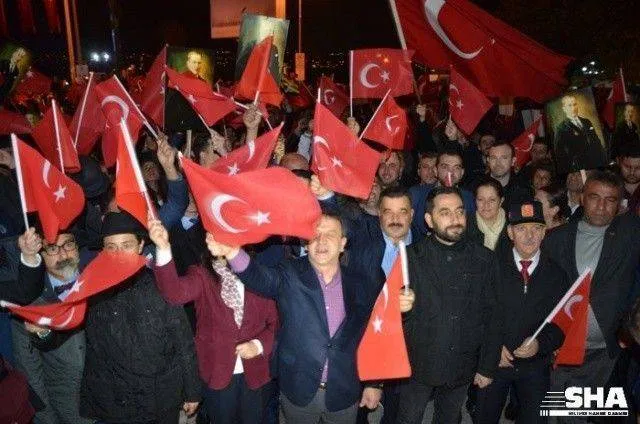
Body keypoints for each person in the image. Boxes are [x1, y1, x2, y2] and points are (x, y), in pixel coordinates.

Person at [207, 213, 415, 424]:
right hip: (298, 389)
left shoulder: (361, 283)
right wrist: (232, 252)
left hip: (344, 389)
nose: (321, 240)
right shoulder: (289, 273)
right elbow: (258, 277)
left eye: (330, 234)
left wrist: (374, 383)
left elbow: (375, 332)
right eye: (315, 235)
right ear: (306, 243)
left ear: (342, 243)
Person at [149, 219, 277, 424]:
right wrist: (163, 248)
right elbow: (174, 293)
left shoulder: (259, 276)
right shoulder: (201, 274)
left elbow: (275, 324)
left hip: (256, 373)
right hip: (218, 372)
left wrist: (258, 345)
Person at [80, 212, 201, 424]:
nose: (118, 253)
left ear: (140, 246)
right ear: (103, 251)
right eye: (111, 247)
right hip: (117, 402)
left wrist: (192, 391)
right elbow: (71, 333)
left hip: (160, 398)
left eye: (126, 245)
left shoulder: (163, 286)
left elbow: (184, 342)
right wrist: (43, 332)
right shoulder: (92, 291)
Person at [397, 186, 501, 424]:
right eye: (445, 212)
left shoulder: (484, 259)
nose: (455, 218)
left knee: (449, 418)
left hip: (462, 363)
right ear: (429, 220)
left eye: (459, 211)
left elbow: (493, 315)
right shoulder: (410, 257)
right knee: (408, 418)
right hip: (418, 364)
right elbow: (393, 318)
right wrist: (401, 309)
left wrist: (487, 367)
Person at [544, 171, 640, 423]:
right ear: (582, 198)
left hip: (605, 351)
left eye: (610, 200)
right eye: (595, 197)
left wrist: (630, 329)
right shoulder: (556, 239)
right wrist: (547, 338)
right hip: (563, 347)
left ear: (619, 205)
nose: (601, 206)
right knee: (561, 415)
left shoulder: (630, 233)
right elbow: (542, 294)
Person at [474, 200, 568, 424]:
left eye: (536, 228)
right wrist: (493, 346)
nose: (529, 236)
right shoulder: (491, 267)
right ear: (510, 232)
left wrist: (540, 344)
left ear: (544, 232)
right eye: (521, 229)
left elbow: (562, 323)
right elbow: (477, 314)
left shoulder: (556, 274)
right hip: (495, 360)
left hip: (535, 365)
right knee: (484, 417)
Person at [11, 230, 94, 424]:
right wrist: (46, 418)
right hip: (71, 405)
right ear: (40, 254)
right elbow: (29, 372)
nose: (63, 254)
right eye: (53, 248)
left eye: (68, 245)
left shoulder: (100, 280)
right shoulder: (29, 305)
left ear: (77, 247)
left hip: (115, 397)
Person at [410, 147, 476, 235]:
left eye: (456, 168)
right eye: (445, 167)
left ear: (462, 173)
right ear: (436, 170)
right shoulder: (417, 194)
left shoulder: (470, 198)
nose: (450, 172)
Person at [554, 94, 607, 174]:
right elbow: (560, 153)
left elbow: (596, 141)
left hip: (596, 164)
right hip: (578, 169)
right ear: (564, 109)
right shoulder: (561, 128)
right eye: (569, 105)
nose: (573, 108)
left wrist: (603, 159)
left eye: (575, 104)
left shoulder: (586, 121)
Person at [484, 141, 532, 210]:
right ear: (488, 160)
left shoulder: (524, 191)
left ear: (513, 161)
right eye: (494, 158)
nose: (498, 163)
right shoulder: (474, 187)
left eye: (504, 158)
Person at [467, 176, 508, 251]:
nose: (486, 205)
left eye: (492, 200)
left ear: (501, 201)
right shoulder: (465, 224)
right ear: (475, 200)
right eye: (480, 199)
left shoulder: (512, 224)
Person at [618, 144, 640, 215]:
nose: (632, 172)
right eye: (627, 167)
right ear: (618, 162)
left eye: (638, 168)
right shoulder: (608, 186)